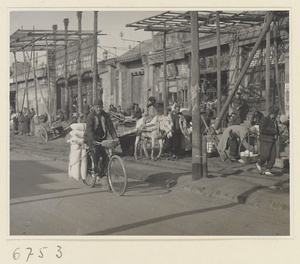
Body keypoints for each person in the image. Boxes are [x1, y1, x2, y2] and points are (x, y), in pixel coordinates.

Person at [83, 99, 118, 190]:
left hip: (102, 139)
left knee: (106, 157)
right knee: (96, 154)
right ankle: (100, 175)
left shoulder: (105, 116)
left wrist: (115, 138)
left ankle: (103, 174)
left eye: (101, 107)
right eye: (97, 107)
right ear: (94, 108)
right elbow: (89, 130)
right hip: (91, 139)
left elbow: (111, 128)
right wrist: (93, 140)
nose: (99, 109)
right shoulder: (90, 116)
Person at [256, 105, 280, 176]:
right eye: (275, 113)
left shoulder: (275, 121)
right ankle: (259, 163)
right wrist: (273, 131)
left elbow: (276, 130)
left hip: (272, 140)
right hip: (265, 140)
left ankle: (268, 169)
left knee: (273, 156)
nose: (276, 115)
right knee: (265, 155)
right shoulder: (264, 119)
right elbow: (262, 130)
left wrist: (278, 132)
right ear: (271, 113)